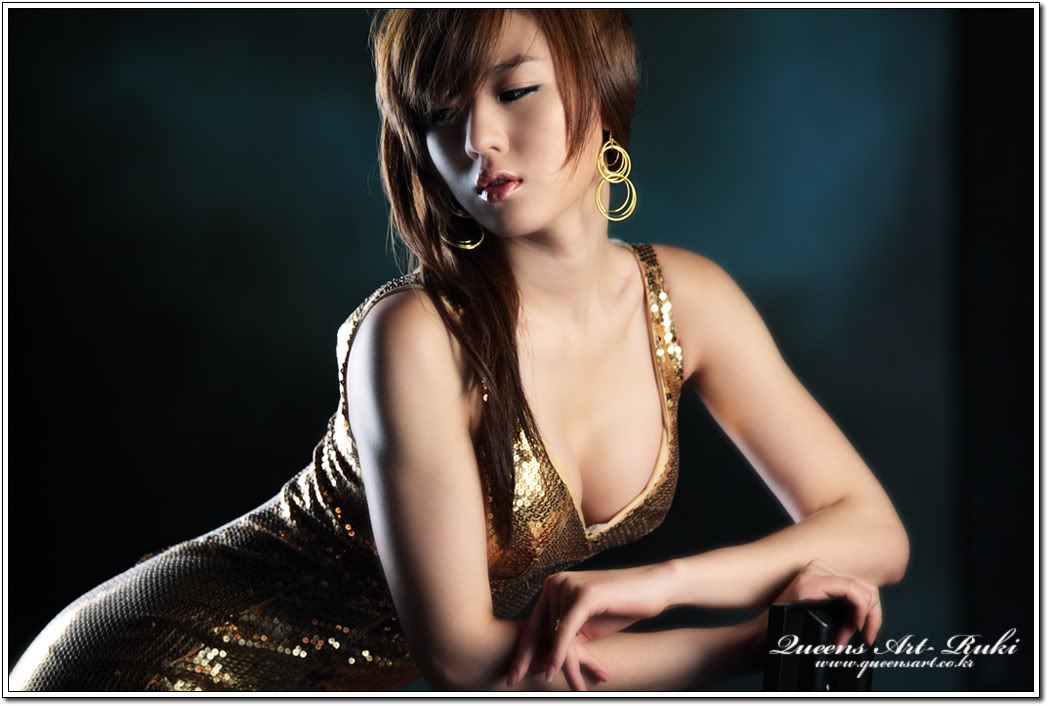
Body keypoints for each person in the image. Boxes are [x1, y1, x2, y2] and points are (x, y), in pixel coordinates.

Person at [9, 8, 909, 692]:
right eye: (442, 114)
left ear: (600, 88)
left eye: (514, 91)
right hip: (168, 668)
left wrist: (663, 584)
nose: (478, 140)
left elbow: (871, 530)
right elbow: (467, 661)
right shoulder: (413, 337)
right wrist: (752, 641)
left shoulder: (688, 299)